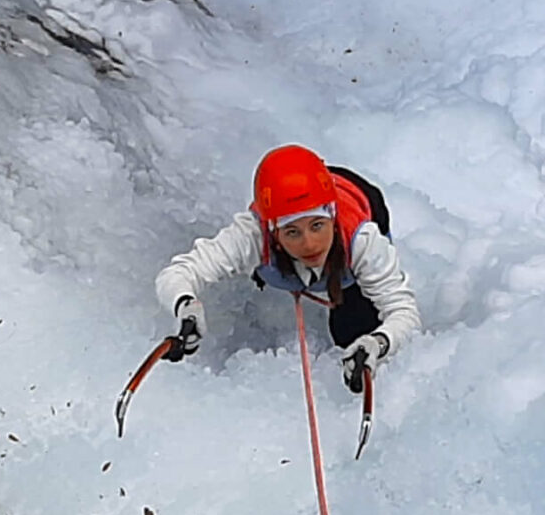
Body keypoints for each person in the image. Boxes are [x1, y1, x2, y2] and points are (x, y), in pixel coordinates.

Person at [156, 145, 419, 390]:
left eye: (317, 226)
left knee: (352, 330)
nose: (309, 244)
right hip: (304, 204)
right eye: (292, 232)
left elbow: (403, 312)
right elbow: (179, 273)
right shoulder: (252, 234)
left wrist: (378, 342)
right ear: (273, 231)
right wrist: (186, 307)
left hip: (361, 196)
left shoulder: (363, 240)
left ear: (333, 218)